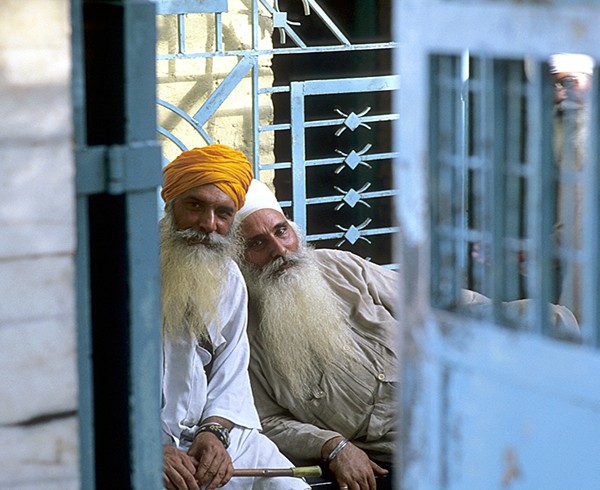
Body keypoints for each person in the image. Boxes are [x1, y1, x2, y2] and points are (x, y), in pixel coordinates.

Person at [159, 146, 311, 490]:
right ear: (171, 206)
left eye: (223, 213)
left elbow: (232, 367)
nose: (208, 224)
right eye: (195, 205)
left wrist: (215, 431)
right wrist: (145, 447)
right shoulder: (126, 267)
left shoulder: (227, 275)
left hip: (213, 438)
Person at [233, 179, 398, 490]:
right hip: (390, 458)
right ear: (239, 260)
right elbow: (268, 422)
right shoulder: (243, 331)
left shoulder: (338, 266)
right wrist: (333, 446)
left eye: (281, 231)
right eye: (257, 243)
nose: (279, 250)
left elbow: (427, 306)